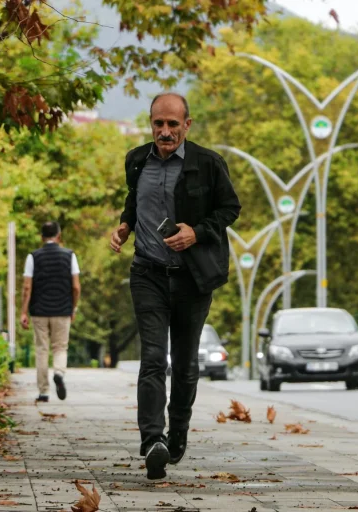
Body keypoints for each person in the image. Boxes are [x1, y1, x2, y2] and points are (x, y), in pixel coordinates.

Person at [109, 92, 241, 480]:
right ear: (150, 123)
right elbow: (135, 200)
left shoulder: (209, 163)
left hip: (193, 278)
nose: (164, 132)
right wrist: (125, 225)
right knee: (153, 358)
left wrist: (196, 232)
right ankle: (153, 442)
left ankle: (177, 432)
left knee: (184, 366)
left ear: (187, 124)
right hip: (147, 273)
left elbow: (229, 209)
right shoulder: (136, 160)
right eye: (157, 124)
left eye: (172, 124)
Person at [21, 221, 81, 402]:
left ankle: (44, 391)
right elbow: (76, 286)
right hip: (62, 310)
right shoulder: (70, 256)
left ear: (41, 237)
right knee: (60, 347)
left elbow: (26, 287)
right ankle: (59, 374)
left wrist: (23, 312)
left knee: (41, 349)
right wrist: (73, 307)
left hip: (39, 311)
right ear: (59, 235)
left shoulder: (33, 257)